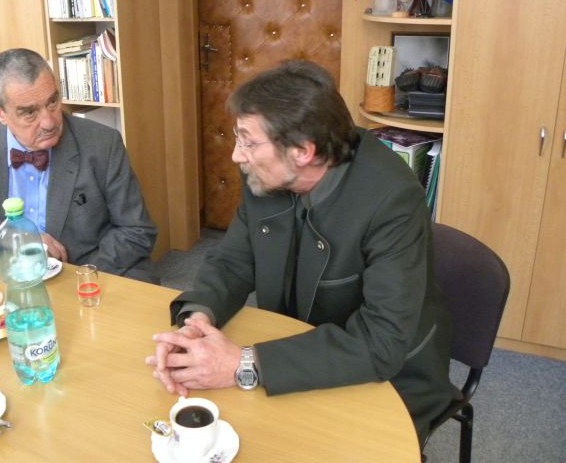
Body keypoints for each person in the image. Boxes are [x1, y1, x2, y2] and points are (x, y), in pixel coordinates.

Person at [146, 60, 455, 442]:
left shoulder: (393, 201)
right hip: (298, 348)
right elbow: (234, 261)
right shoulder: (267, 172)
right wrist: (197, 323)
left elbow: (382, 343)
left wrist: (243, 363)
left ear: (303, 152)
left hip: (392, 375)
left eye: (248, 142)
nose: (237, 156)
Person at [0, 48, 158, 282]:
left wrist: (79, 277)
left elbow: (136, 230)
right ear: (0, 113)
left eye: (52, 102)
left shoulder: (102, 144)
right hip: (3, 277)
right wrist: (7, 237)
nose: (49, 122)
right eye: (29, 113)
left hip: (85, 272)